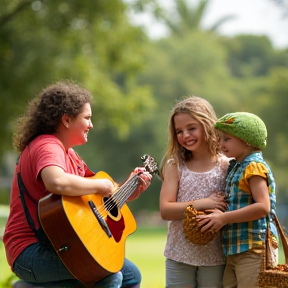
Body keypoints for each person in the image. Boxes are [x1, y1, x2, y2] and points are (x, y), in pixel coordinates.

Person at [3, 80, 152, 288]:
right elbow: (57, 182)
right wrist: (102, 185)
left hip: (61, 245)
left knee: (130, 275)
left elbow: (95, 200)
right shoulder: (47, 146)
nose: (91, 124)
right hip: (30, 252)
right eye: (87, 118)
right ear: (66, 120)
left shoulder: (70, 154)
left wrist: (128, 189)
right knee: (110, 275)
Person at [197, 112, 277, 288]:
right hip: (234, 248)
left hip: (252, 249)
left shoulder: (253, 167)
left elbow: (263, 206)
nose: (220, 144)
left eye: (226, 139)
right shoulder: (236, 167)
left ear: (246, 140)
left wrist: (224, 218)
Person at [159, 96, 230, 288]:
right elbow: (165, 210)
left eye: (192, 128)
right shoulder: (175, 165)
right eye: (179, 131)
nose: (185, 135)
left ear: (207, 124)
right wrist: (203, 203)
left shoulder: (226, 165)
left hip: (215, 256)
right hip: (179, 254)